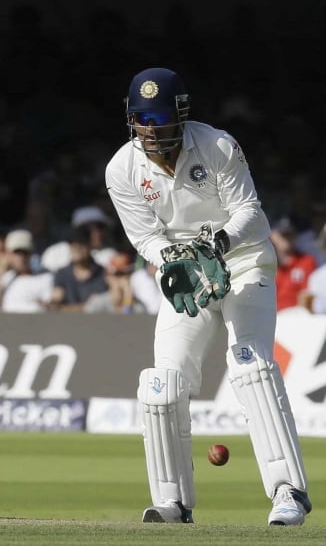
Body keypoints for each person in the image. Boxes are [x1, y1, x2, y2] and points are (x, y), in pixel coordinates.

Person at [105, 67, 311, 525]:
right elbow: (145, 238)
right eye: (144, 118)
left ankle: (288, 492)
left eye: (160, 117)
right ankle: (172, 502)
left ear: (180, 113)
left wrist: (214, 244)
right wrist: (174, 259)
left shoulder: (217, 145)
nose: (153, 128)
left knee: (251, 364)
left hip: (242, 262)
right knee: (162, 383)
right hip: (186, 273)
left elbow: (251, 215)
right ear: (132, 120)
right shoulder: (121, 168)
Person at [0, 229, 53, 313]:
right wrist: (1, 274)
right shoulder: (0, 280)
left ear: (31, 254)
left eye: (25, 252)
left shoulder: (45, 278)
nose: (22, 257)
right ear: (8, 254)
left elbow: (52, 308)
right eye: (17, 252)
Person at [51, 226, 109, 312]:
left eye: (81, 243)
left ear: (90, 245)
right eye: (72, 243)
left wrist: (66, 308)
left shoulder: (103, 273)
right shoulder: (62, 274)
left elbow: (108, 305)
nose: (76, 247)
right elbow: (55, 306)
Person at [269, 218, 317, 311]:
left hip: (297, 316)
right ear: (273, 236)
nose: (286, 238)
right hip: (271, 316)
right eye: (283, 234)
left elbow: (308, 295)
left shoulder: (306, 261)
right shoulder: (266, 264)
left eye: (290, 234)